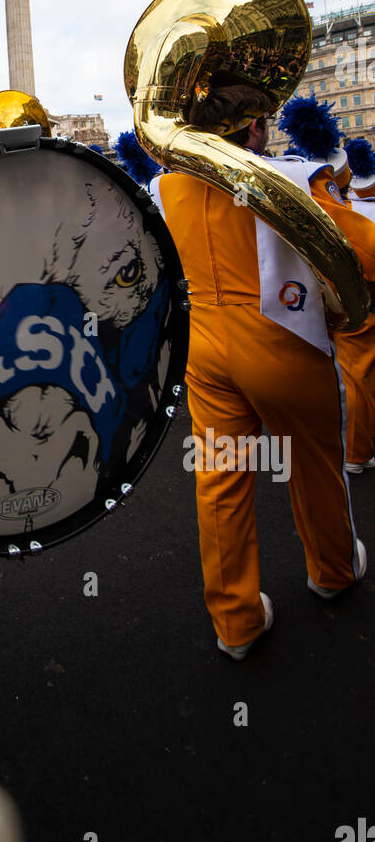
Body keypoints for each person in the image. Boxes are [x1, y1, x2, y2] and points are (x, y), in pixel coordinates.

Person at [151, 84, 367, 660]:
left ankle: (236, 621)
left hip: (204, 345)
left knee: (220, 478)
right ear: (250, 129)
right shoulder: (293, 177)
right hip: (281, 341)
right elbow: (364, 252)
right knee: (316, 466)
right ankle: (333, 570)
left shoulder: (164, 186)